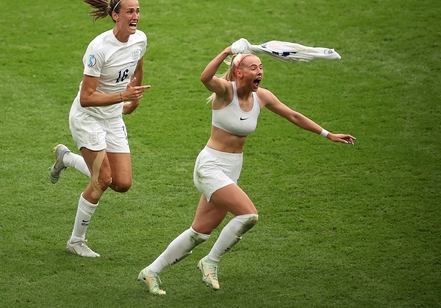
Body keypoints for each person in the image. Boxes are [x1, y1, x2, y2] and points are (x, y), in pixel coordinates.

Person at [138, 44, 355, 294]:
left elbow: (293, 116)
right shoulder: (224, 92)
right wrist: (227, 50)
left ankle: (151, 271)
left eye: (261, 67)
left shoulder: (262, 96)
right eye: (253, 67)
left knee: (200, 232)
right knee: (248, 215)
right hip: (210, 166)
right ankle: (210, 261)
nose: (260, 71)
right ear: (239, 72)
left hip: (232, 169)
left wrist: (328, 134)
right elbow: (205, 77)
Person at [49, 0, 151, 258]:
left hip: (112, 116)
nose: (136, 16)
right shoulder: (98, 49)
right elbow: (86, 98)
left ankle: (67, 159)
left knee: (123, 183)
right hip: (88, 118)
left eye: (138, 11)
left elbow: (138, 64)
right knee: (103, 179)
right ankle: (76, 241)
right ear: (115, 15)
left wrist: (135, 97)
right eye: (130, 11)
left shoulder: (140, 39)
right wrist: (123, 95)